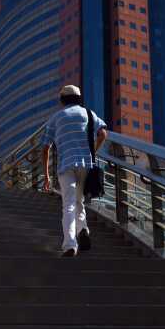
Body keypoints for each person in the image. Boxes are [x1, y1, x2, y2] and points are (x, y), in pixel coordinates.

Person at [42, 84, 107, 257]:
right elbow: (103, 134)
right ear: (78, 98)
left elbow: (45, 148)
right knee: (79, 201)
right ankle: (83, 229)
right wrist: (93, 151)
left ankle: (70, 244)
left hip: (66, 165)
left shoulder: (55, 118)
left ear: (62, 100)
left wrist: (47, 176)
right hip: (86, 163)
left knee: (69, 205)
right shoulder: (88, 113)